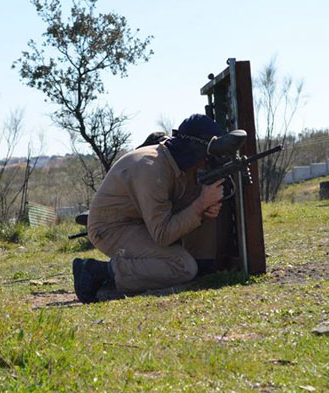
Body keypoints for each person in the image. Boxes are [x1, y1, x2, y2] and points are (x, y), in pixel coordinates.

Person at [73, 114, 227, 303]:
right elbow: (162, 234)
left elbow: (178, 205)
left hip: (140, 224)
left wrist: (203, 210)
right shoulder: (152, 167)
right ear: (195, 150)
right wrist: (200, 204)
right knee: (182, 266)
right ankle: (98, 272)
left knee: (186, 265)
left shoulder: (174, 164)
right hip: (111, 228)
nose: (206, 163)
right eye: (206, 156)